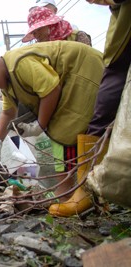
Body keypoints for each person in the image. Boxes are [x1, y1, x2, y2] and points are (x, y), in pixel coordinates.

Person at [0, 41, 104, 214]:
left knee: (67, 129)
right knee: (65, 133)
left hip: (85, 72)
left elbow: (51, 89)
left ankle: (83, 195)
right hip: (71, 81)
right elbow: (8, 111)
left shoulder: (19, 64)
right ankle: (72, 196)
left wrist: (39, 126)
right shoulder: (7, 80)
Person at [49, 0, 131, 217]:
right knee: (101, 117)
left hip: (89, 89)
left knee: (101, 115)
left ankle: (89, 191)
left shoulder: (76, 40)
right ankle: (89, 191)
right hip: (119, 49)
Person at [22, 6, 91, 46]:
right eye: (34, 33)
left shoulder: (78, 37)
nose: (37, 35)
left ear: (51, 25)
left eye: (39, 29)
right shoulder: (39, 48)